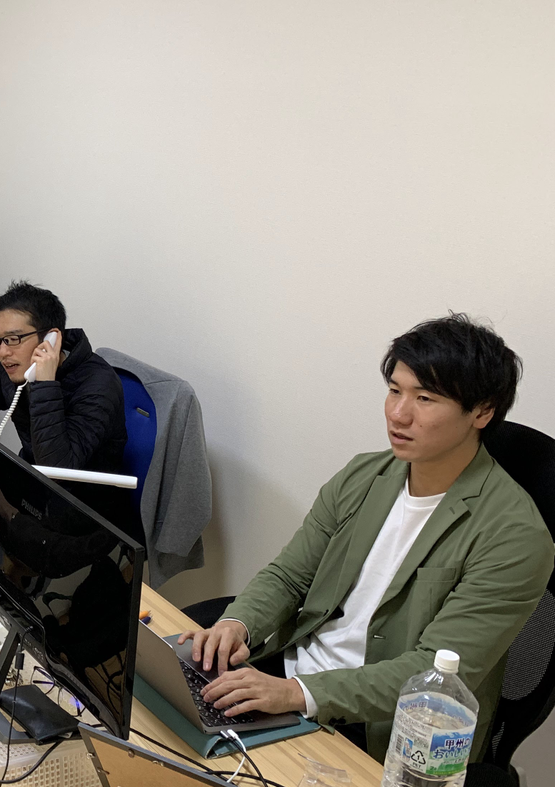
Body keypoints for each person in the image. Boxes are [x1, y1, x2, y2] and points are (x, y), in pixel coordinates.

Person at [181, 314, 554, 761]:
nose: (398, 413)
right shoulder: (363, 476)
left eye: (425, 398)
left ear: (482, 411)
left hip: (384, 727)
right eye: (395, 391)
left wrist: (294, 694)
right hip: (292, 674)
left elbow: (432, 673)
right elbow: (290, 575)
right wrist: (237, 624)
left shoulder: (514, 537)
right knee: (165, 709)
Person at [0, 281, 126, 473]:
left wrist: (45, 384)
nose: (3, 352)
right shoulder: (14, 365)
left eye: (13, 339)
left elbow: (58, 470)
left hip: (77, 490)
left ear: (50, 340)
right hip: (29, 478)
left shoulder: (98, 386)